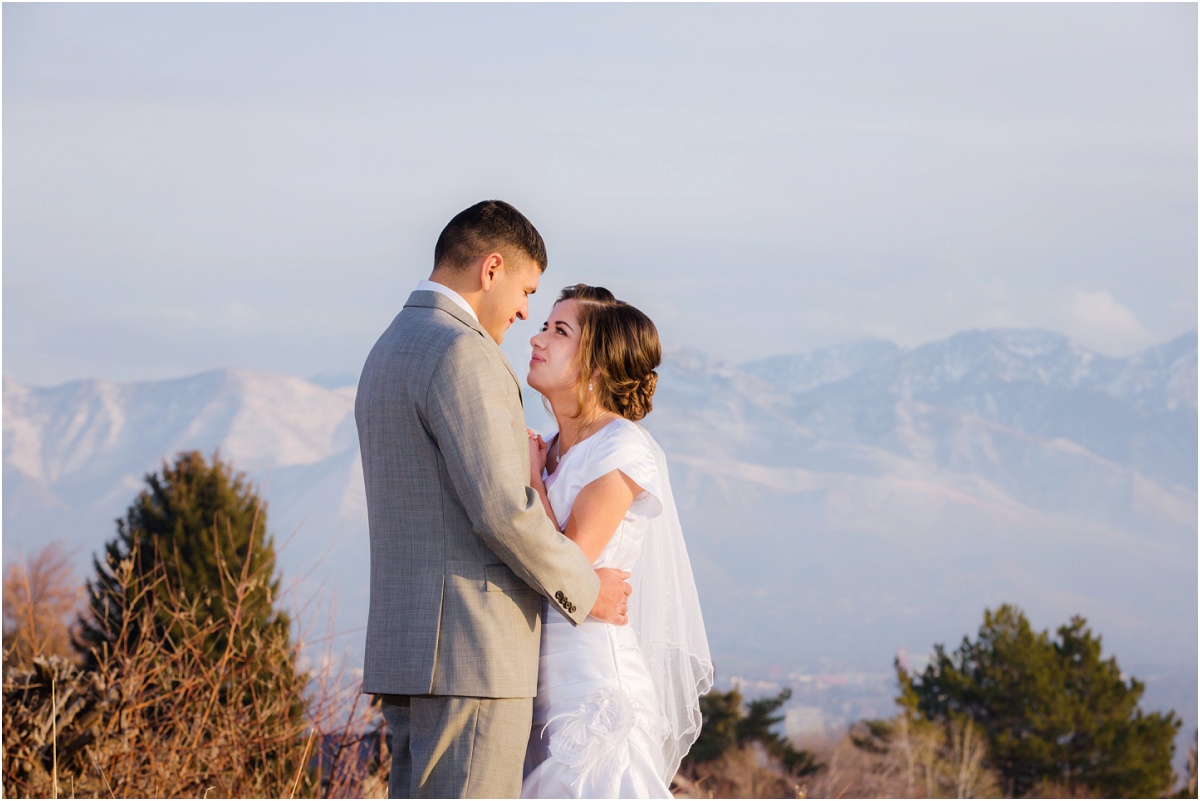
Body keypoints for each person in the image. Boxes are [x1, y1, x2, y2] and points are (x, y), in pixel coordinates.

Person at [355, 202, 633, 799]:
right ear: (492, 268)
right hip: (470, 655)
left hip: (410, 652)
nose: (525, 311)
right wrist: (586, 589)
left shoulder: (389, 348)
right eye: (526, 290)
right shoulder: (462, 352)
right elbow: (502, 511)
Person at [521, 284, 713, 798]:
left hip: (592, 684)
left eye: (559, 331)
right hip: (538, 684)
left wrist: (532, 481)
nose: (536, 339)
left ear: (598, 366)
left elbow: (566, 562)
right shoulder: (553, 445)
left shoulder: (622, 447)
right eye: (544, 325)